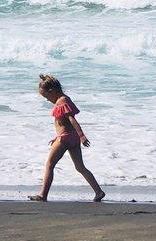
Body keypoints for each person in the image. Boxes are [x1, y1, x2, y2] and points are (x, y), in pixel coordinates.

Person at [29, 74, 105, 202]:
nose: (47, 100)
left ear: (52, 90)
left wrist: (82, 135)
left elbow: (72, 119)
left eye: (46, 96)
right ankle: (98, 192)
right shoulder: (64, 100)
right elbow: (64, 123)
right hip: (71, 137)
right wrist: (58, 136)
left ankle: (43, 195)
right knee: (80, 167)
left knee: (49, 165)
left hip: (65, 138)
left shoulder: (62, 101)